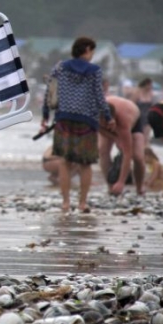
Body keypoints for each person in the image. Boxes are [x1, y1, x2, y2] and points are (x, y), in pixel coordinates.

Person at [40, 36, 115, 213]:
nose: (92, 55)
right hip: (86, 122)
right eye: (92, 51)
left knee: (65, 162)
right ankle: (82, 203)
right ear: (87, 49)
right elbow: (99, 96)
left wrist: (45, 116)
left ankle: (65, 203)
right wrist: (108, 116)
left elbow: (49, 92)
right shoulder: (94, 70)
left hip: (63, 120)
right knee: (85, 163)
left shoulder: (59, 67)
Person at [98, 96, 145, 196]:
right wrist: (115, 138)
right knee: (102, 150)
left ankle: (139, 188)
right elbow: (99, 128)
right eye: (103, 124)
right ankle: (110, 186)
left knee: (138, 156)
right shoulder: (93, 114)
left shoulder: (124, 122)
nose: (106, 126)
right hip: (108, 110)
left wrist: (121, 182)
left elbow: (127, 153)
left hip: (133, 119)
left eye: (108, 124)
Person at [131, 77, 155, 148]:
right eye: (150, 85)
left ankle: (146, 152)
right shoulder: (137, 92)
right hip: (138, 117)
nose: (151, 87)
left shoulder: (151, 93)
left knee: (146, 136)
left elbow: (153, 105)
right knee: (138, 136)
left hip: (148, 117)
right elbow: (132, 104)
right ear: (146, 84)